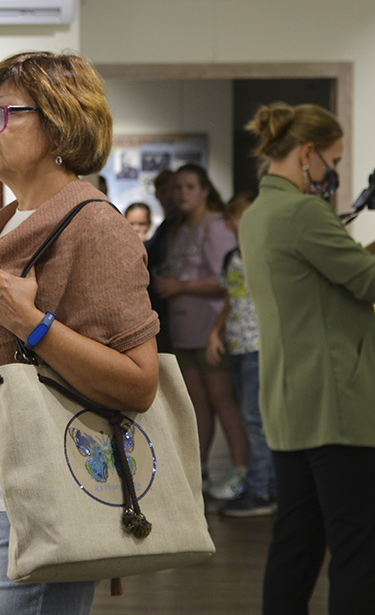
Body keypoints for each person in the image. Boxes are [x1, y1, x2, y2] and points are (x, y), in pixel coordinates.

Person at [0, 51, 160, 615]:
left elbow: (139, 384)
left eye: (4, 114)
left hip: (45, 494)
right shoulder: (4, 223)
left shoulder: (94, 225)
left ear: (59, 123)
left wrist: (30, 322)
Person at [240, 102, 375, 615]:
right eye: (332, 159)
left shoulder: (258, 215)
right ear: (308, 153)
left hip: (291, 404)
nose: (334, 172)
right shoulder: (303, 212)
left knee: (295, 547)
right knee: (356, 553)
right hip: (338, 405)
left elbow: (338, 271)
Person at [153, 163, 248, 500]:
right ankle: (200, 472)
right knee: (196, 407)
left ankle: (242, 471)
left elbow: (227, 281)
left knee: (223, 402)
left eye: (190, 186)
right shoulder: (179, 228)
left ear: (205, 190)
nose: (182, 194)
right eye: (177, 187)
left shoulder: (216, 226)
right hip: (183, 329)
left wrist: (183, 284)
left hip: (210, 329)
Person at [205, 193, 276, 517]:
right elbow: (232, 298)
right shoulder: (233, 256)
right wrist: (214, 332)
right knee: (252, 417)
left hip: (259, 346)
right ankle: (261, 484)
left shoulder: (268, 255)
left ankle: (262, 489)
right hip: (238, 344)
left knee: (254, 418)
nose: (233, 224)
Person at [145, 169, 179, 352]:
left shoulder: (180, 226)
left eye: (174, 190)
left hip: (171, 303)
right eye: (163, 191)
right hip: (157, 304)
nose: (169, 196)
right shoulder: (164, 226)